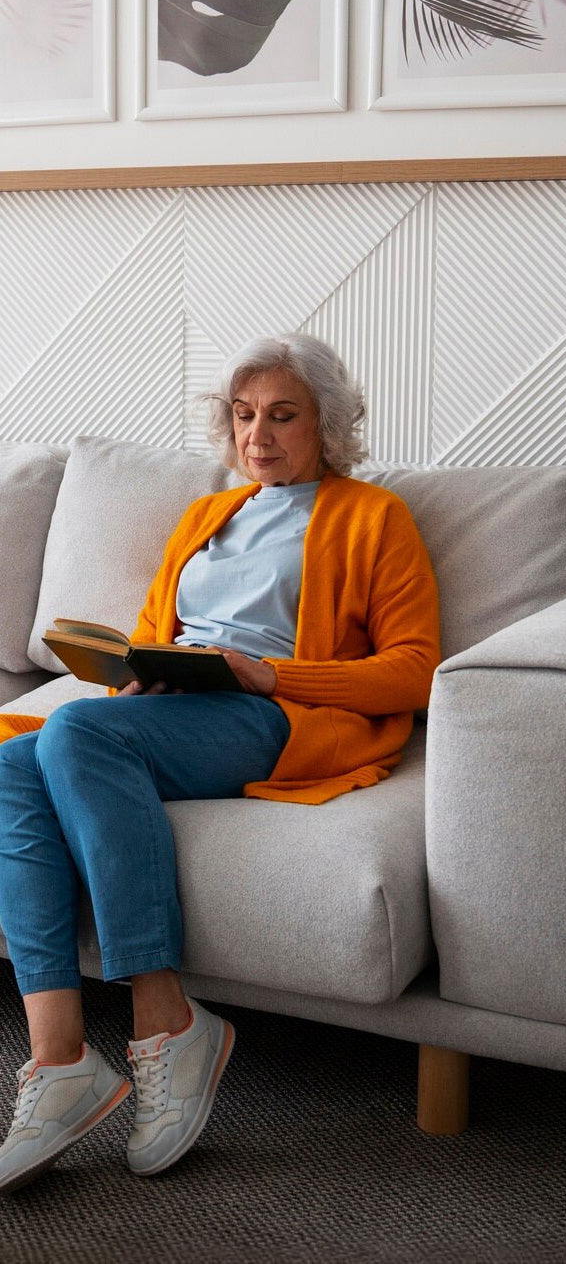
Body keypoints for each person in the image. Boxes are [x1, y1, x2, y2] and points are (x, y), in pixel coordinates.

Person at [0, 335, 440, 1192]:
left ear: (328, 425)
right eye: (244, 416)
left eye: (282, 416)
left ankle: (166, 1021)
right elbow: (160, 628)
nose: (258, 436)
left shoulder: (369, 516)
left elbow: (415, 667)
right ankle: (58, 1058)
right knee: (18, 763)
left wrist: (268, 671)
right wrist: (139, 672)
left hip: (274, 712)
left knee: (74, 736)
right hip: (179, 703)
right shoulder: (210, 515)